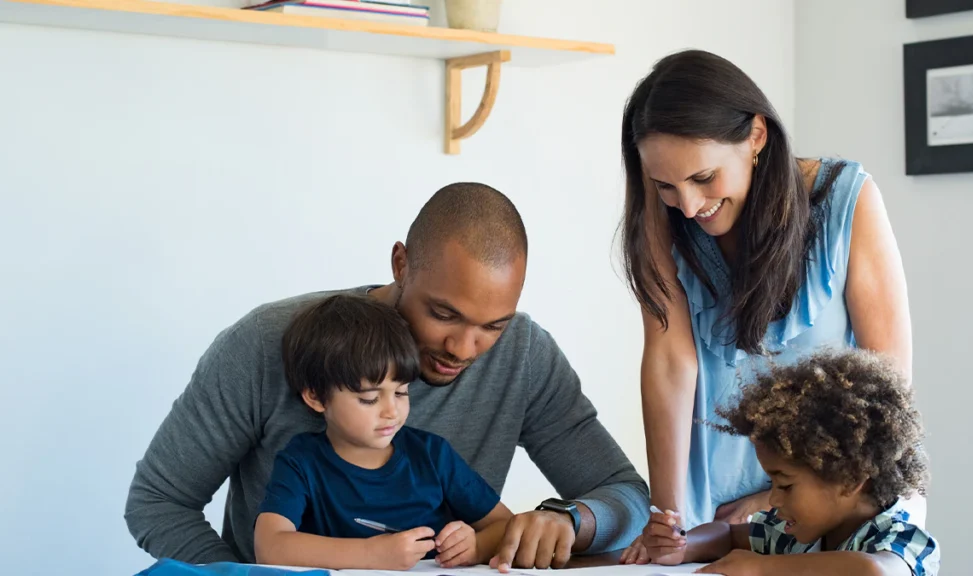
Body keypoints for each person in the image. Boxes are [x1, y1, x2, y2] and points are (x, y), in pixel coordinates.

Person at [125, 182, 649, 570]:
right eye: (443, 314)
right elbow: (158, 502)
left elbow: (625, 495)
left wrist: (570, 520)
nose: (464, 349)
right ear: (401, 263)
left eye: (493, 325)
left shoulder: (524, 354)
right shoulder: (267, 343)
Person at [617, 50, 914, 563]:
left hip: (834, 506)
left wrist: (773, 499)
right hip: (709, 514)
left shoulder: (848, 200)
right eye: (666, 185)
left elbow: (886, 385)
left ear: (756, 136)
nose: (688, 206)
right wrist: (668, 517)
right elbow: (670, 362)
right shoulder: (662, 221)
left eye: (704, 178)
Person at [254, 294, 513, 570]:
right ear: (316, 397)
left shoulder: (432, 456)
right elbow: (270, 546)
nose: (392, 411)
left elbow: (506, 525)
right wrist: (371, 554)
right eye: (369, 398)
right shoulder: (301, 462)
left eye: (401, 392)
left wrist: (476, 546)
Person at [642, 349, 940, 576]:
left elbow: (873, 571)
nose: (772, 498)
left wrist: (761, 568)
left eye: (785, 484)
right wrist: (682, 546)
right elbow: (727, 535)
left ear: (850, 478)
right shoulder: (795, 533)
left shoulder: (899, 536)